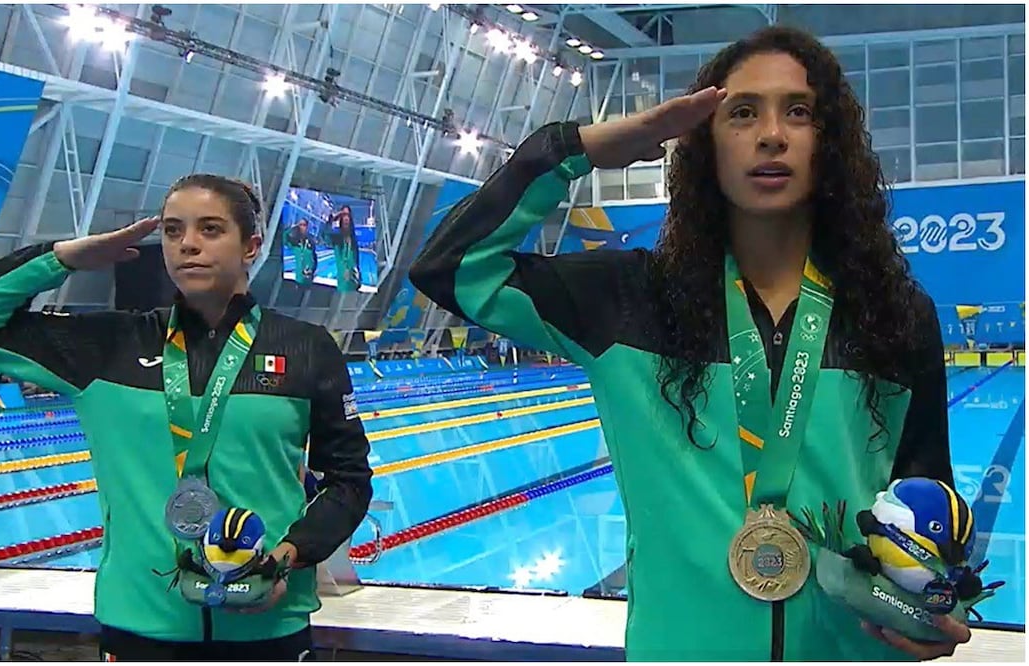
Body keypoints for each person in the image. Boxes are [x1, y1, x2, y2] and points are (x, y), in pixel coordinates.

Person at [410, 26, 968, 662]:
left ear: (829, 142)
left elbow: (928, 501)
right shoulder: (624, 301)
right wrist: (580, 148)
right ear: (704, 142)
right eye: (741, 113)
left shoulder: (893, 316)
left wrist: (936, 605)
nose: (771, 135)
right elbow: (449, 267)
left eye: (799, 112)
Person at [0, 174, 373, 661]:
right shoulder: (108, 345)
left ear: (251, 245)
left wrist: (288, 556)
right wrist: (63, 258)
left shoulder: (304, 348)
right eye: (173, 231)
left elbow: (347, 480)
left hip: (269, 626)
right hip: (141, 626)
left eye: (210, 229)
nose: (188, 245)